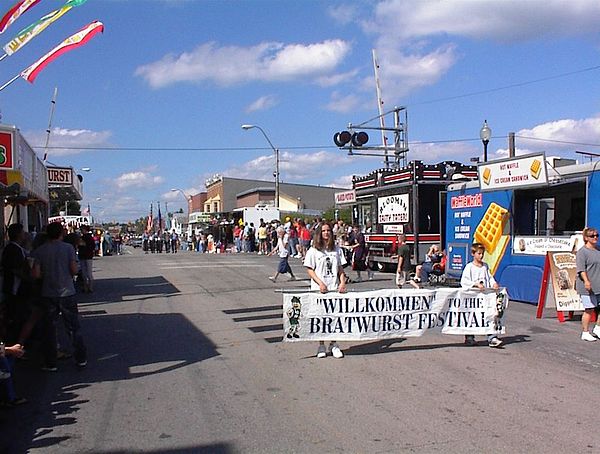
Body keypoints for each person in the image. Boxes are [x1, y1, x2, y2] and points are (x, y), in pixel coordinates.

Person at [31, 222, 87, 370]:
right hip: (67, 291)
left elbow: (36, 274)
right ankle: (80, 357)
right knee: (73, 327)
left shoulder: (40, 251)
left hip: (48, 293)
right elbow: (74, 270)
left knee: (49, 329)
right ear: (61, 234)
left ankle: (51, 362)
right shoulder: (68, 248)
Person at [303, 222, 347, 358]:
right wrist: (320, 283)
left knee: (334, 318)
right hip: (319, 289)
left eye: (328, 230)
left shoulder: (337, 250)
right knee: (320, 318)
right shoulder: (313, 251)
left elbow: (340, 269)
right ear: (319, 233)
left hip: (334, 288)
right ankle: (321, 345)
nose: (326, 233)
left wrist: (342, 282)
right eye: (323, 231)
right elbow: (310, 270)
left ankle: (334, 344)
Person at [460, 242, 503, 348]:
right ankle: (469, 337)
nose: (481, 256)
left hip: (485, 297)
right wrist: (475, 284)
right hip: (473, 298)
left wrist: (494, 283)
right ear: (473, 254)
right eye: (479, 253)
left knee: (490, 314)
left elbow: (489, 277)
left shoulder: (485, 266)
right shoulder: (469, 267)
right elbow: (464, 281)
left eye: (482, 253)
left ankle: (492, 337)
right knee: (472, 316)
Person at [575, 227, 600, 341]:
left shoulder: (598, 250)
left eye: (596, 235)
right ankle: (585, 332)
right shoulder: (582, 252)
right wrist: (586, 281)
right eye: (592, 236)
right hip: (588, 285)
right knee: (589, 309)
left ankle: (598, 328)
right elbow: (581, 269)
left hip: (598, 283)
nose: (595, 237)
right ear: (586, 238)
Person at [78, 225, 95, 293]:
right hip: (89, 256)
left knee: (84, 273)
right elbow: (93, 247)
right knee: (89, 272)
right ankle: (90, 287)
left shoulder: (82, 238)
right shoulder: (91, 237)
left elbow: (79, 245)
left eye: (81, 229)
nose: (81, 231)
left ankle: (85, 287)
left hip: (83, 256)